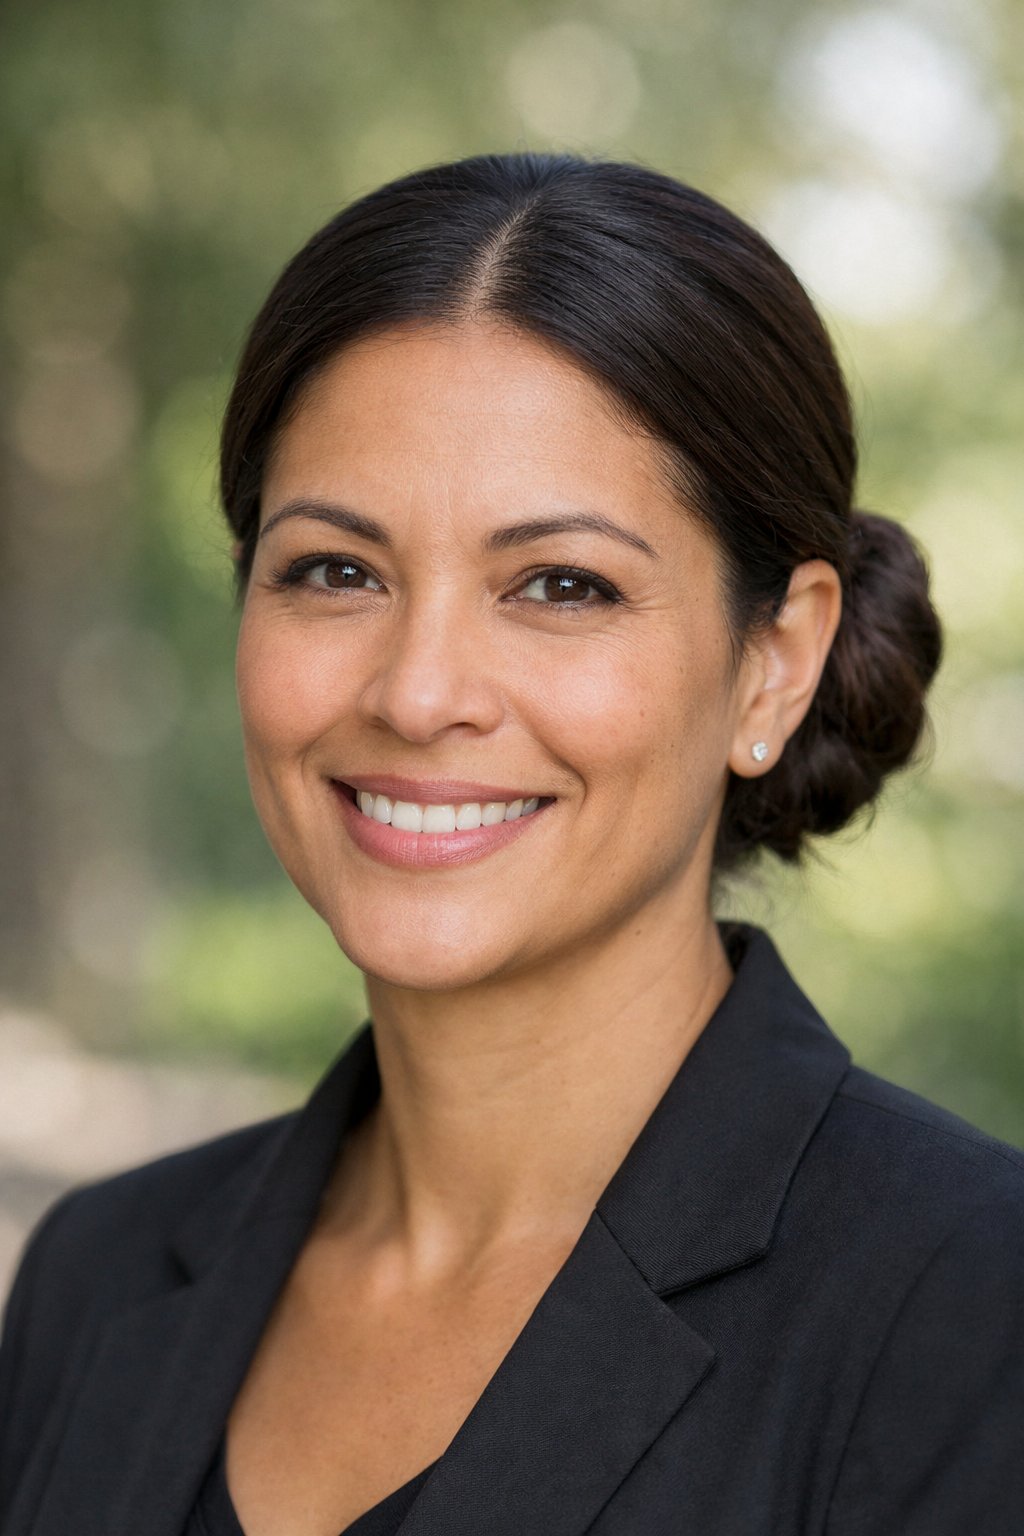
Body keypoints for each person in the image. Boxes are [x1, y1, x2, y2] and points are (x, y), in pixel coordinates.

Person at [1, 151, 1021, 1536]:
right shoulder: (92, 1279)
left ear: (773, 664)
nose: (419, 693)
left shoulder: (972, 1311)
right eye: (336, 571)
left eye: (559, 585)